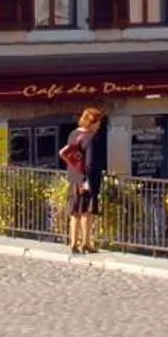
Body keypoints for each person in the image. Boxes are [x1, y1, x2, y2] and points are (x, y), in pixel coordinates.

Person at [58, 107, 107, 254]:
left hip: (73, 178)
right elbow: (90, 163)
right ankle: (86, 243)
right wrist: (89, 181)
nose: (99, 126)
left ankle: (73, 242)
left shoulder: (74, 134)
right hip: (86, 180)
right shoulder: (90, 138)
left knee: (75, 212)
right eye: (98, 123)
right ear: (93, 122)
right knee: (87, 212)